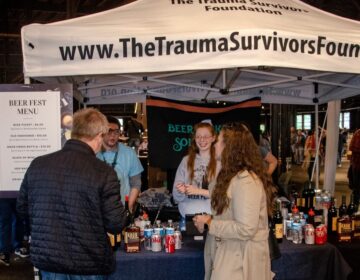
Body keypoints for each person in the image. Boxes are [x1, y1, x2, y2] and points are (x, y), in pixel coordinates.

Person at [16, 108, 128, 279]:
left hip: (49, 260)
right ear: (99, 136)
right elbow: (116, 223)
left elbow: (22, 209)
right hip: (89, 262)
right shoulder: (103, 172)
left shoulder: (38, 164)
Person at [193, 122, 274, 280]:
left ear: (229, 146)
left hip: (240, 261)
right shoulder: (228, 175)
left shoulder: (246, 181)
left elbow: (246, 229)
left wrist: (210, 223)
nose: (213, 144)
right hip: (228, 253)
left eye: (217, 141)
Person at [172, 120, 217, 221]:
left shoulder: (220, 162)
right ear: (194, 139)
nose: (202, 140)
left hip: (213, 219)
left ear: (213, 138)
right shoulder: (186, 160)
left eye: (206, 136)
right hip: (188, 217)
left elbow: (223, 195)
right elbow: (176, 197)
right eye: (198, 136)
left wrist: (197, 191)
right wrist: (181, 191)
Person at [97, 115, 144, 213]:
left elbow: (136, 183)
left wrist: (128, 208)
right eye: (109, 131)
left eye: (116, 132)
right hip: (97, 210)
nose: (113, 135)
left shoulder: (129, 153)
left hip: (121, 209)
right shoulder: (93, 152)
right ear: (102, 132)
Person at [0, 198, 29, 266]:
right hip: (4, 194)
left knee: (18, 219)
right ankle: (4, 251)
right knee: (5, 221)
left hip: (15, 194)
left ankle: (16, 247)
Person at [348, 128, 360, 206]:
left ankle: (354, 208)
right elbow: (352, 148)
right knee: (357, 189)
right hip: (357, 165)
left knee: (356, 189)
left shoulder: (357, 133)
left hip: (356, 165)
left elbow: (351, 147)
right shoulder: (358, 134)